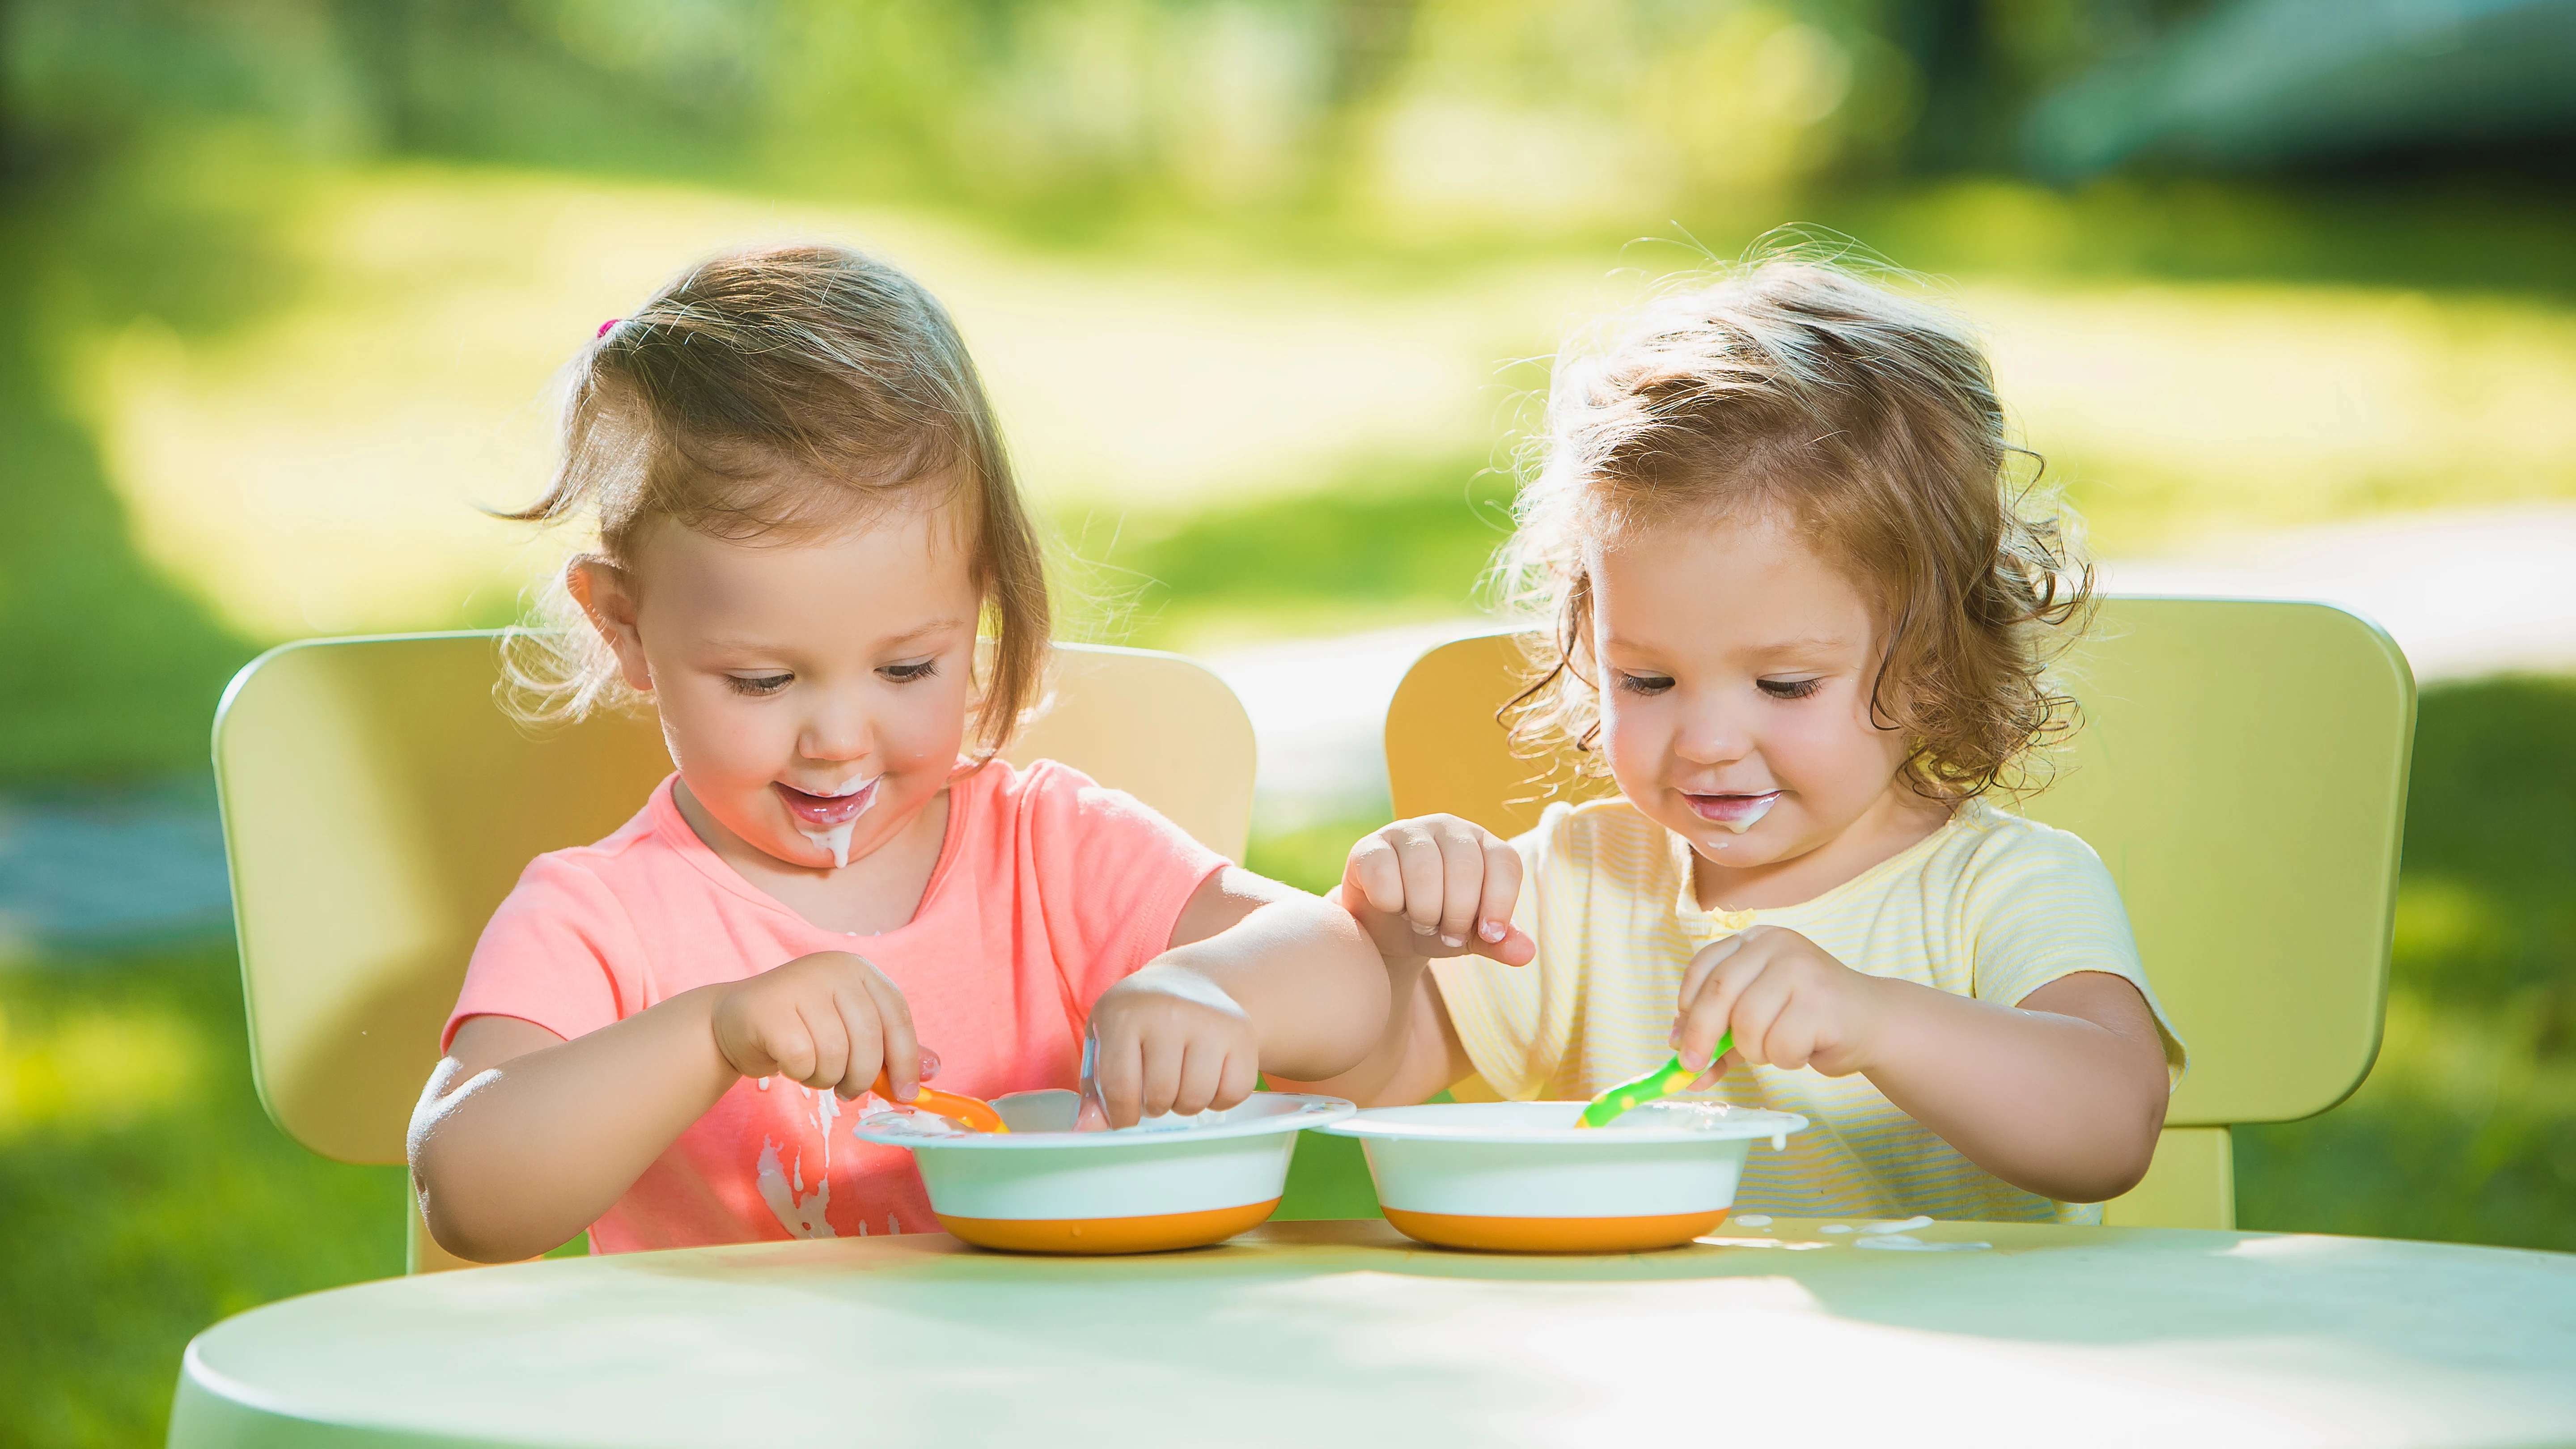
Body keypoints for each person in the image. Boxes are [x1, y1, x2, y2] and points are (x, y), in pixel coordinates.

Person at [408, 243, 1385, 1261]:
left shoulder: (1050, 852)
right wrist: (709, 1034)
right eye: (763, 681)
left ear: (980, 612)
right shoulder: (603, 918)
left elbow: (1350, 984)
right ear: (624, 628)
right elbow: (470, 1195)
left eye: (910, 669)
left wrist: (1212, 988)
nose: (838, 740)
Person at [1287, 259, 2186, 1223]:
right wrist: (1387, 951)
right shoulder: (1579, 885)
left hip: (1934, 1369)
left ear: (1933, 664)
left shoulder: (2000, 888)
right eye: (1648, 679)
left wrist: (1877, 1019)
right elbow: (1363, 1079)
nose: (1709, 741)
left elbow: (2109, 1126)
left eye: (1784, 684)